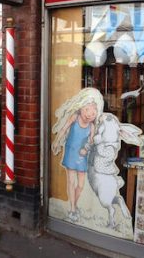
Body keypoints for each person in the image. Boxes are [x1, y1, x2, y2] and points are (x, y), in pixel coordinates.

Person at [51, 88, 104, 222]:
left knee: (80, 184)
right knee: (71, 181)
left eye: (93, 112)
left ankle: (73, 205)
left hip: (82, 156)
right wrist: (57, 141)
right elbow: (64, 129)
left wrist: (86, 149)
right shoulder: (75, 117)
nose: (89, 114)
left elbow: (90, 143)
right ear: (81, 108)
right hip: (70, 153)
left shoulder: (92, 127)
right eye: (87, 110)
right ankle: (73, 208)